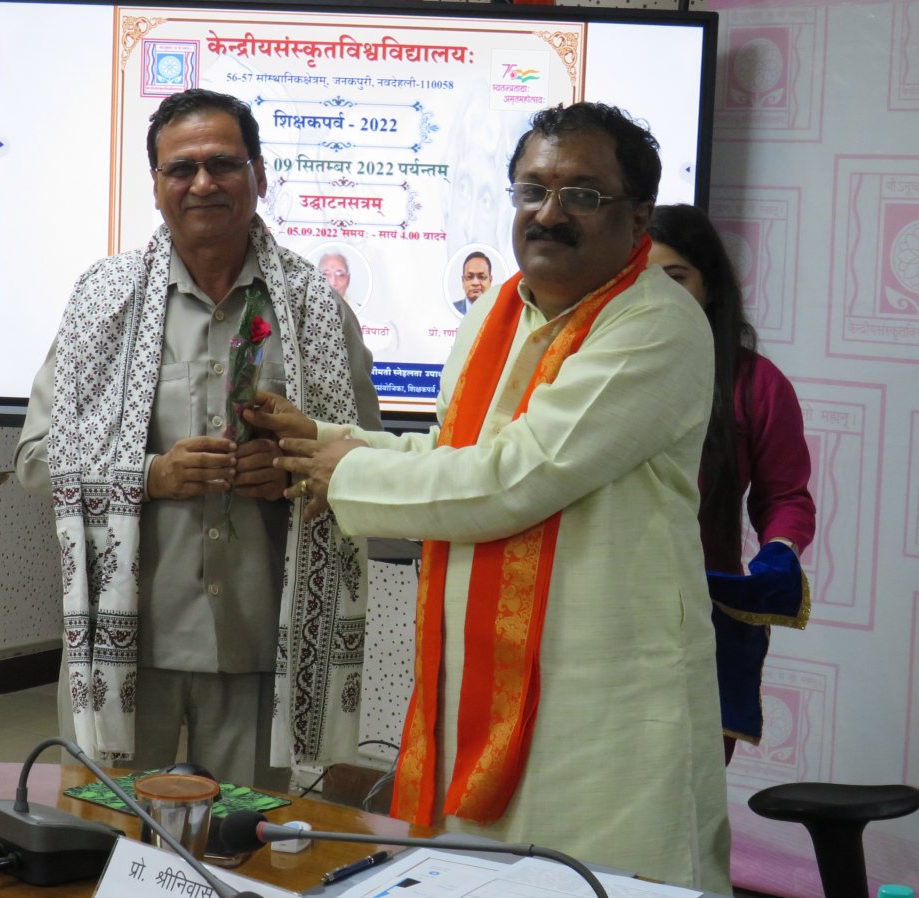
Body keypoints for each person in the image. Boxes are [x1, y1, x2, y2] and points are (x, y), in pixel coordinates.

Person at [247, 102, 730, 891]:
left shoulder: (656, 325)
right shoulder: (495, 316)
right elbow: (456, 460)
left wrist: (345, 471)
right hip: (481, 679)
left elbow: (515, 478)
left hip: (604, 695)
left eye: (583, 195)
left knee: (600, 881)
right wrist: (324, 443)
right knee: (476, 877)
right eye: (532, 190)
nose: (550, 213)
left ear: (639, 214)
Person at [13, 89, 381, 790]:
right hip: (127, 642)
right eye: (181, 169)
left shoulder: (316, 308)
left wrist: (295, 472)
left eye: (224, 164)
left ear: (259, 175)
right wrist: (152, 476)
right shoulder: (103, 300)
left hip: (262, 643)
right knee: (109, 829)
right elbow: (35, 458)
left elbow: (365, 458)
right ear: (156, 186)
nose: (203, 183)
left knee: (244, 838)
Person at [647, 205, 815, 763]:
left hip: (702, 613)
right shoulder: (592, 371)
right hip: (603, 612)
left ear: (711, 287)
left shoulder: (756, 383)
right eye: (641, 280)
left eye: (675, 278)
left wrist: (780, 552)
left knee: (687, 785)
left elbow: (785, 496)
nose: (658, 296)